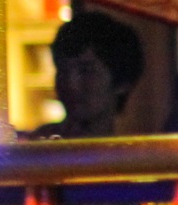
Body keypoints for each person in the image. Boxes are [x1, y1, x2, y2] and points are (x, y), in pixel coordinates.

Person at [31, 10, 147, 140]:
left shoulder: (135, 151)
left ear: (122, 83)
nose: (70, 84)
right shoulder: (40, 146)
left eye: (86, 71)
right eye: (62, 70)